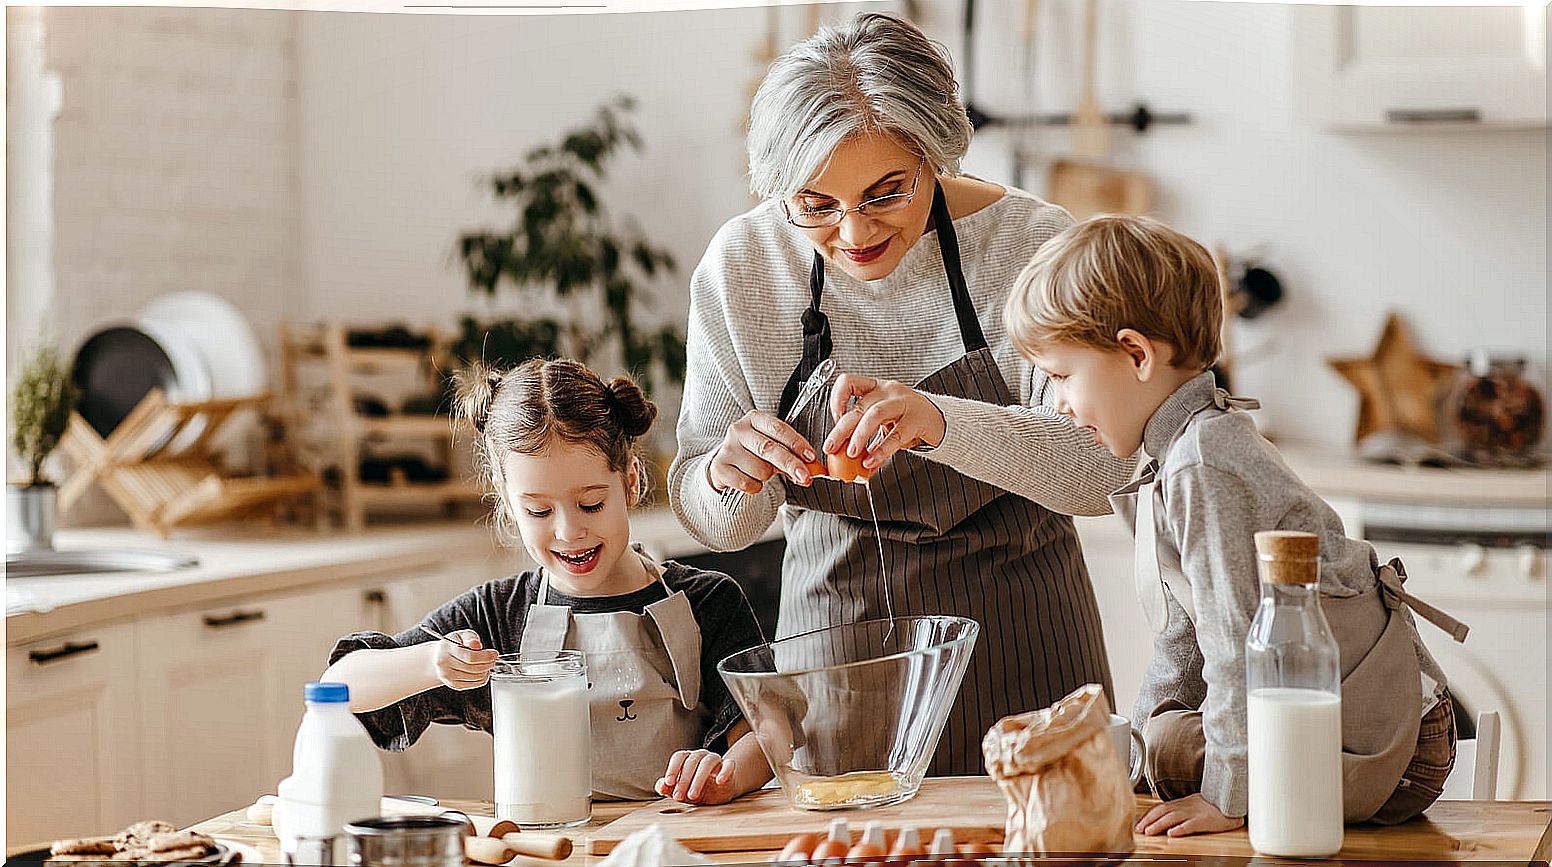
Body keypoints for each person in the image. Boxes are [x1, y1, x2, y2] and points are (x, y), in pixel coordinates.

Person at [668, 11, 1135, 776]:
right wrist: (728, 472)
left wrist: (940, 419)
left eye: (887, 192)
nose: (853, 232)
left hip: (1027, 650)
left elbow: (1102, 470)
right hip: (836, 668)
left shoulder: (1030, 245)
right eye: (815, 203)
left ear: (935, 155)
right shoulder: (745, 266)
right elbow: (712, 514)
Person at [920, 213, 1463, 835]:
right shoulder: (1174, 452)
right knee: (1158, 744)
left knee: (1171, 752)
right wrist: (1136, 764)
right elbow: (1183, 636)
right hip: (1339, 726)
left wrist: (1226, 798)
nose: (1058, 404)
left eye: (1063, 377)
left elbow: (1235, 641)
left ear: (1136, 354)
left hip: (1391, 749)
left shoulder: (1204, 465)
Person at [322, 358, 771, 805]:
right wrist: (429, 662)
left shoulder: (709, 602)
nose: (568, 532)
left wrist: (726, 775)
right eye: (538, 511)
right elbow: (340, 687)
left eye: (591, 504)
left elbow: (766, 733)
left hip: (682, 840)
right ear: (507, 501)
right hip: (553, 848)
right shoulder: (497, 616)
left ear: (630, 482)